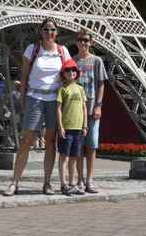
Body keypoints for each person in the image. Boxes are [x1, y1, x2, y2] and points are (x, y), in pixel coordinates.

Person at [4, 19, 71, 197]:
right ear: (41, 31)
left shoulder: (63, 51)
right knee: (26, 140)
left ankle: (47, 183)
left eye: (53, 30)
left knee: (50, 142)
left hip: (54, 100)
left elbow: (70, 77)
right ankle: (14, 182)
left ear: (57, 32)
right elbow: (24, 76)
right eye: (46, 29)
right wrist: (23, 100)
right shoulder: (32, 49)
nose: (50, 32)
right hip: (34, 97)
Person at [73, 28, 106, 193]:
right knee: (79, 145)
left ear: (91, 42)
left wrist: (99, 105)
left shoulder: (97, 60)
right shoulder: (72, 61)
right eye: (80, 40)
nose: (83, 43)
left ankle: (89, 179)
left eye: (86, 40)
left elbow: (101, 84)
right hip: (76, 110)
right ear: (76, 42)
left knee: (91, 145)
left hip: (92, 109)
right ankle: (79, 179)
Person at [56, 59, 87, 195]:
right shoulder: (62, 89)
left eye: (73, 70)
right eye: (68, 70)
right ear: (64, 73)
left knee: (74, 157)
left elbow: (84, 108)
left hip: (78, 129)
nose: (71, 72)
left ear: (77, 73)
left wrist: (85, 125)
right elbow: (58, 109)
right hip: (67, 128)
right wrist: (60, 127)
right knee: (64, 156)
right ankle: (63, 184)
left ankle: (72, 183)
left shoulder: (80, 88)